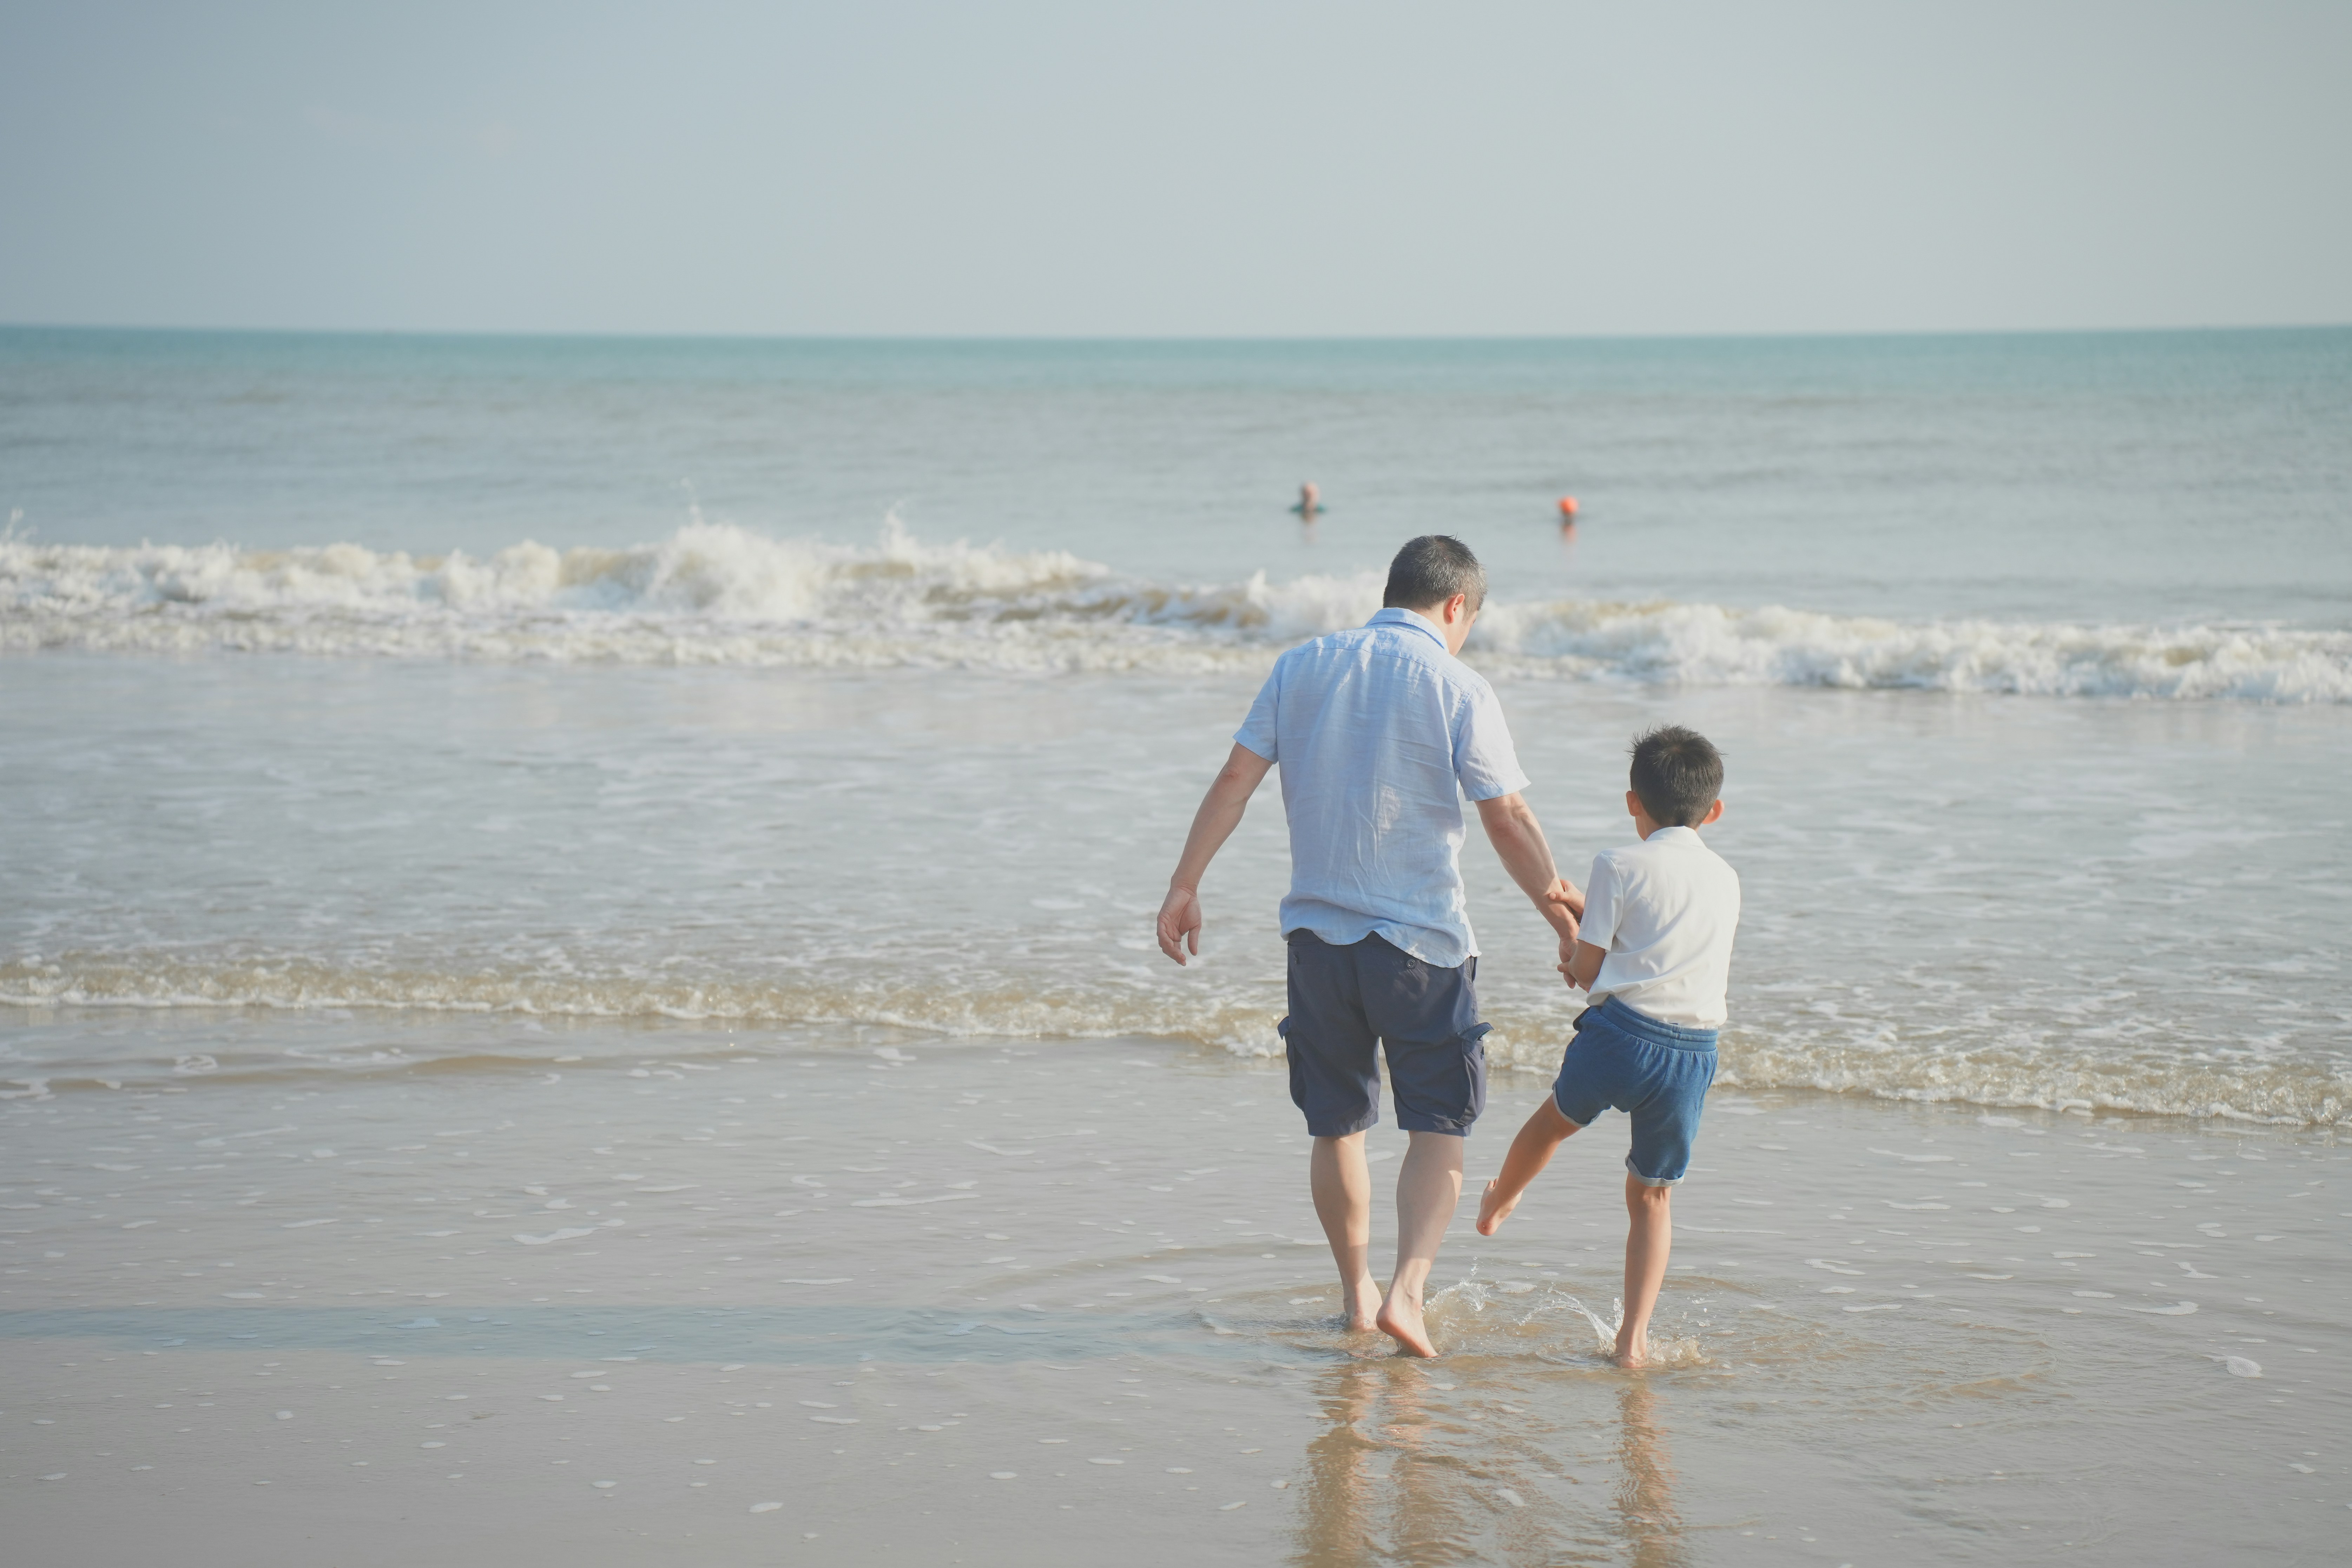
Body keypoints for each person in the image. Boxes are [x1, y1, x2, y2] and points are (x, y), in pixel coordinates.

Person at [1155, 535, 1582, 1357]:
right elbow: (1506, 816)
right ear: (1455, 605)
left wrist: (1184, 883)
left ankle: (1356, 1297)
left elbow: (1235, 779)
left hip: (1316, 942)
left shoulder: (1302, 665)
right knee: (1439, 1124)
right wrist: (1559, 913)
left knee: (1336, 1125)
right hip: (1419, 944)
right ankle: (1406, 1294)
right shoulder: (1457, 684)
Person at [1475, 725, 1740, 1368]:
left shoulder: (1617, 864)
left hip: (1622, 1037)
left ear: (1632, 802)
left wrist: (1572, 953)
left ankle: (1500, 1200)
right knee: (1652, 1195)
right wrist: (1588, 906)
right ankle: (1634, 1340)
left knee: (1553, 1124)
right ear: (1714, 811)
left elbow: (1591, 968)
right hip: (1692, 1053)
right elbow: (1666, 940)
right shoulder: (1727, 877)